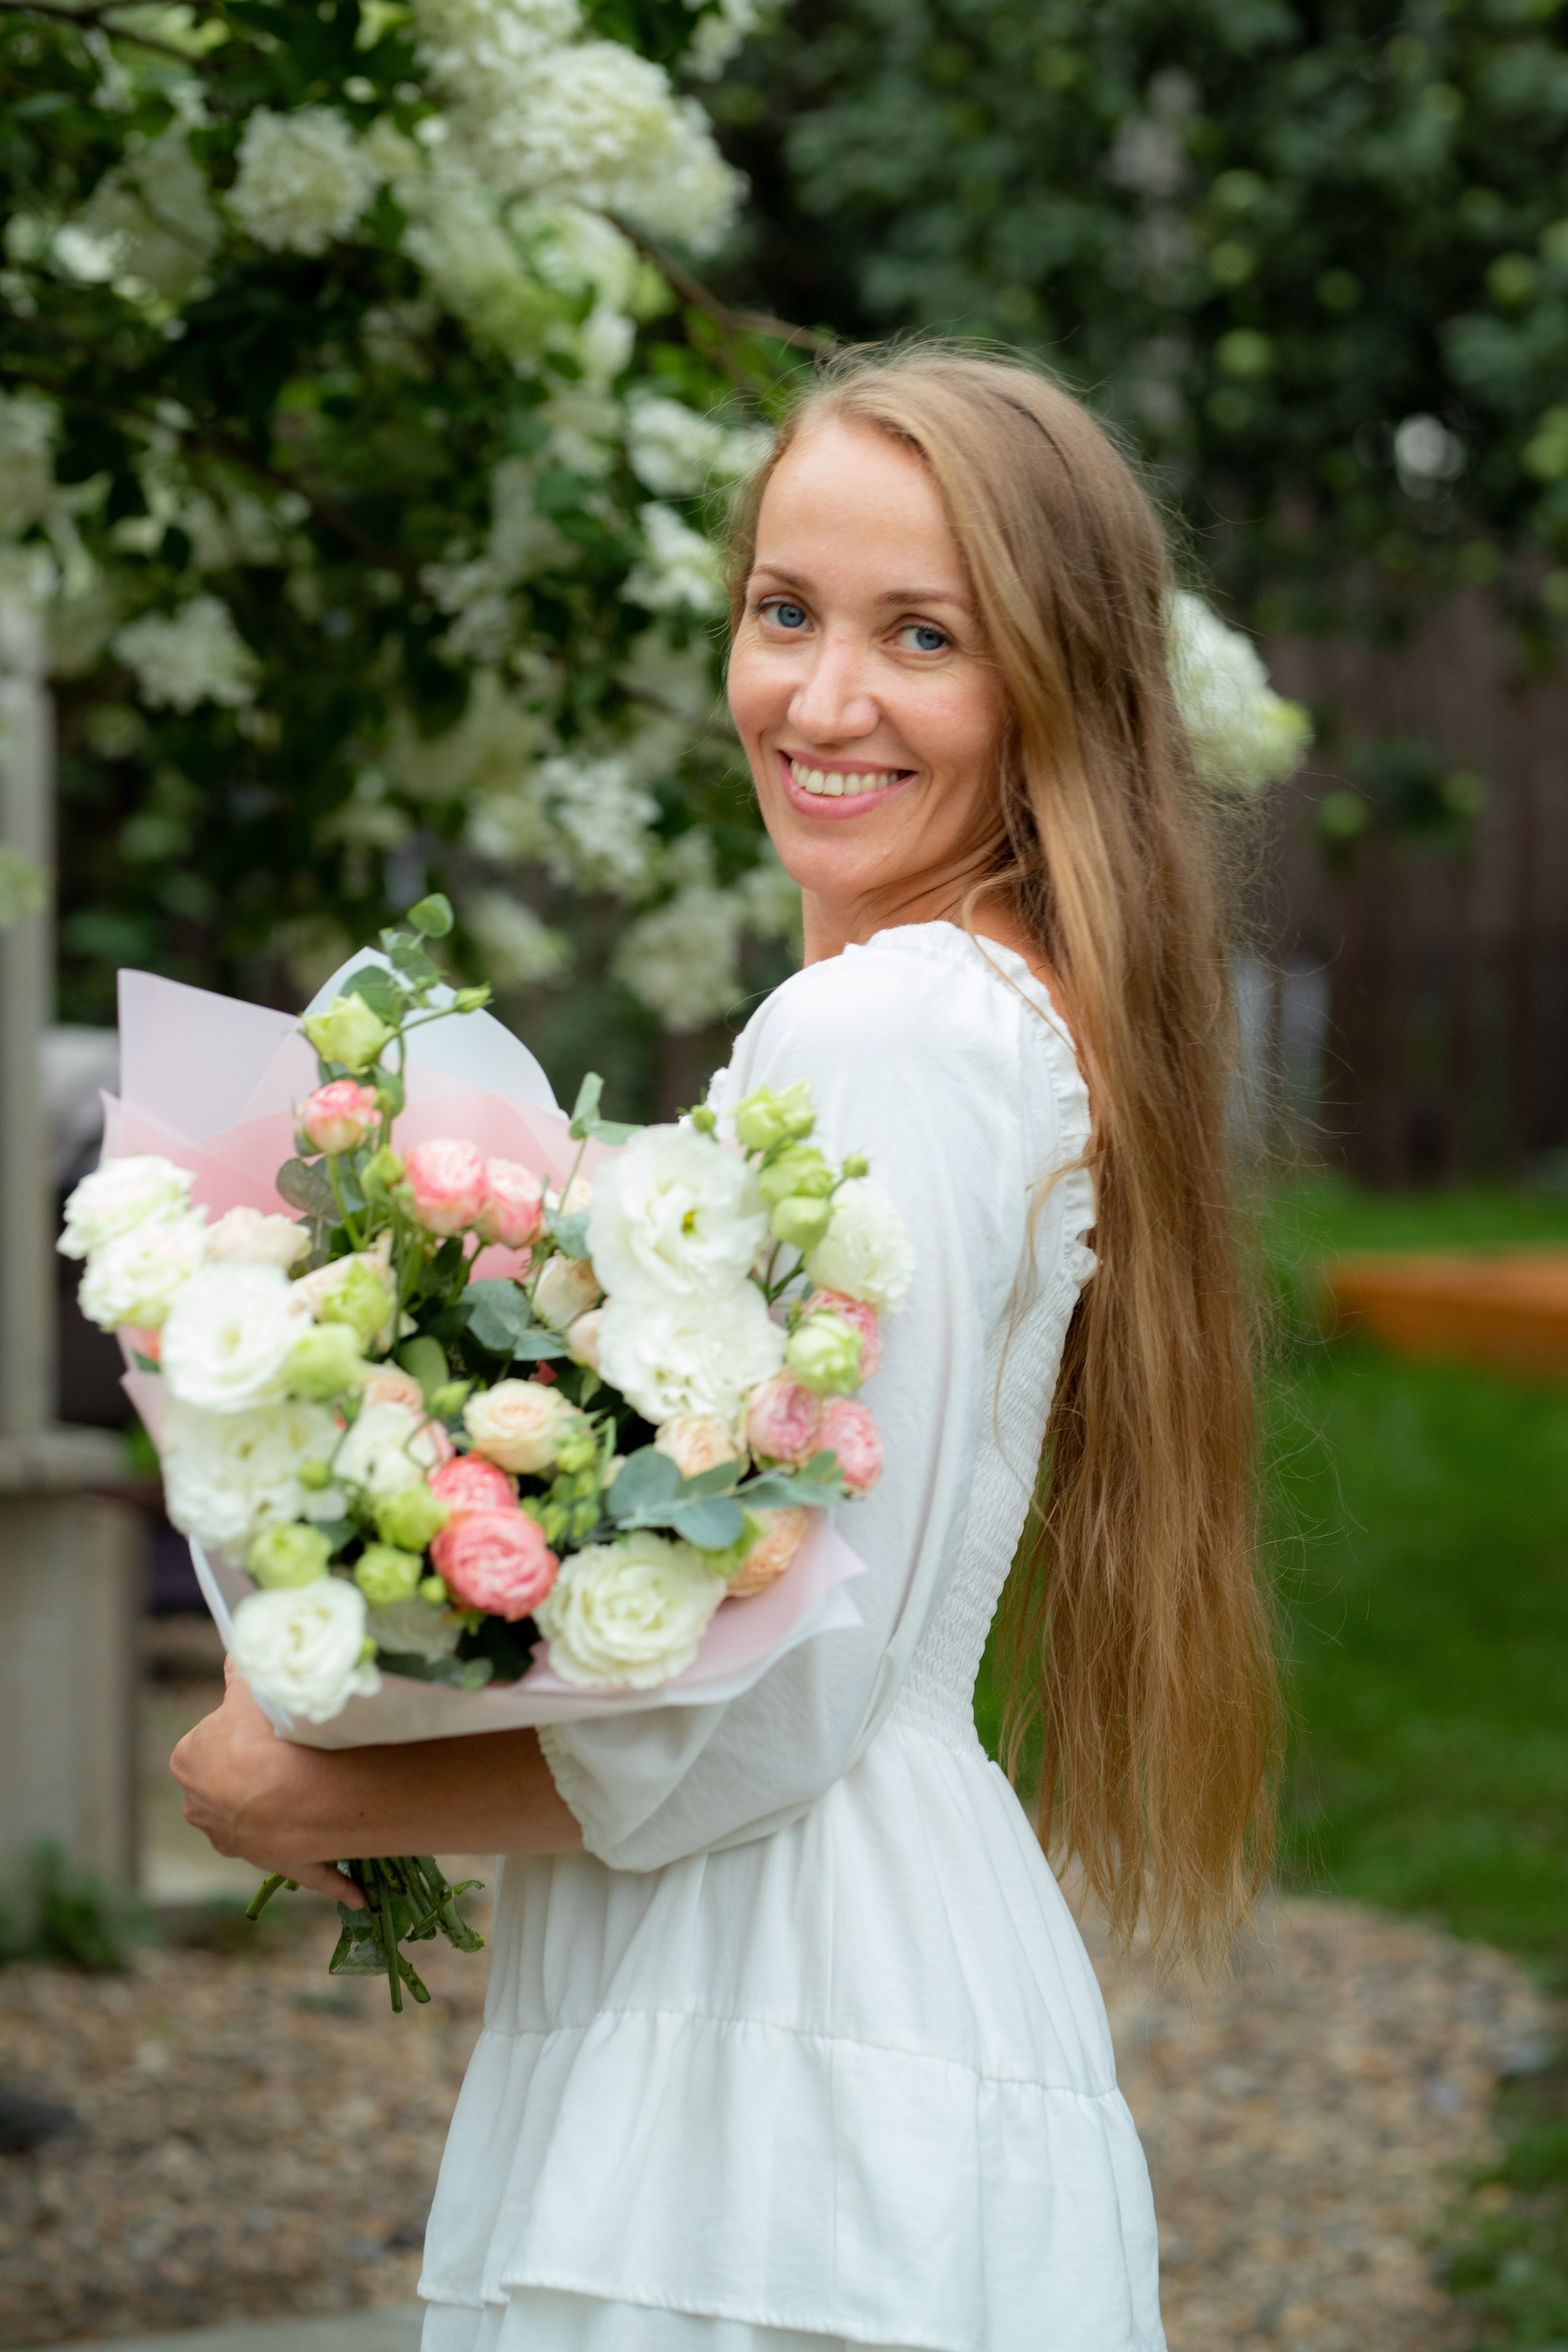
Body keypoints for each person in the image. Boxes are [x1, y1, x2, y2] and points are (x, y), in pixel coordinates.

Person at [173, 347, 1276, 2352]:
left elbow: (785, 1696)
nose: (821, 700)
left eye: (920, 636)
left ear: (1052, 687)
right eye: (787, 613)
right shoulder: (959, 1015)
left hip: (785, 2047)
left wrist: (320, 1780)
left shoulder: (896, 1033)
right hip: (791, 2000)